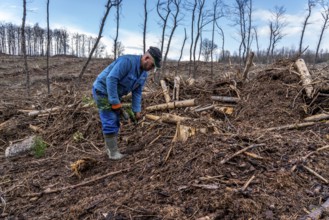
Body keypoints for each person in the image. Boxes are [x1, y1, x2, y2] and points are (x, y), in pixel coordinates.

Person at [92, 46, 162, 160]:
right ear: (146, 58)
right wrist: (115, 102)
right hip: (102, 90)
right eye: (152, 65)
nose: (152, 68)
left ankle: (111, 149)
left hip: (114, 93)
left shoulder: (143, 74)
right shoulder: (127, 62)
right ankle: (113, 154)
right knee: (110, 118)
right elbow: (111, 79)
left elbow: (137, 92)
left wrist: (136, 110)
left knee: (115, 118)